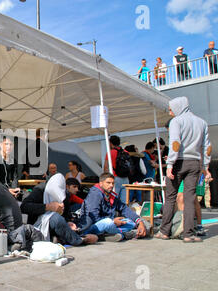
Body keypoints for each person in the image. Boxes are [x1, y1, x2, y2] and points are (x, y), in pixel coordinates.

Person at [155, 97, 211, 243]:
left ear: (179, 107)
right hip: (195, 163)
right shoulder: (202, 122)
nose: (169, 112)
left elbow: (175, 143)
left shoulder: (177, 122)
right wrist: (206, 167)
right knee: (190, 198)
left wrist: (170, 164)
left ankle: (164, 231)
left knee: (171, 197)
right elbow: (207, 147)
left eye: (171, 108)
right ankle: (189, 233)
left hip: (179, 162)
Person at [20, 176, 97, 246]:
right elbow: (24, 207)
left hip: (60, 225)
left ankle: (68, 235)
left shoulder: (65, 195)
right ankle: (78, 240)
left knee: (87, 219)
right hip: (40, 223)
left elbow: (66, 215)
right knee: (56, 218)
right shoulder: (40, 190)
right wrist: (47, 207)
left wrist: (68, 222)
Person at [78, 173, 149, 242]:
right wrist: (113, 221)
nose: (111, 185)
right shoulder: (95, 194)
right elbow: (93, 217)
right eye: (108, 183)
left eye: (112, 183)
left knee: (132, 222)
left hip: (110, 224)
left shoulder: (111, 194)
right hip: (92, 226)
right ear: (101, 183)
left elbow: (124, 208)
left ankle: (111, 234)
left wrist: (139, 222)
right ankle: (124, 234)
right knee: (108, 222)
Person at [103, 135, 129, 203]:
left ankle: (114, 214)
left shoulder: (110, 152)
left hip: (115, 178)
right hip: (126, 178)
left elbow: (106, 167)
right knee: (124, 201)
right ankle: (124, 213)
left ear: (111, 143)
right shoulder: (126, 152)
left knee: (113, 200)